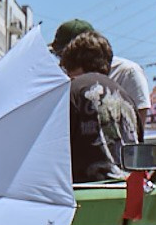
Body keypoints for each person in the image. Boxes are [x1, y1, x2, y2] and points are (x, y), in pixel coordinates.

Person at [60, 28, 139, 183]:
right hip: (126, 193)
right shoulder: (127, 99)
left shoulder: (71, 92)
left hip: (87, 195)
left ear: (72, 64)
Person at [54, 18, 151, 115]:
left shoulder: (127, 72)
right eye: (58, 55)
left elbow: (138, 120)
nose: (62, 62)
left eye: (64, 55)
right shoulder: (65, 76)